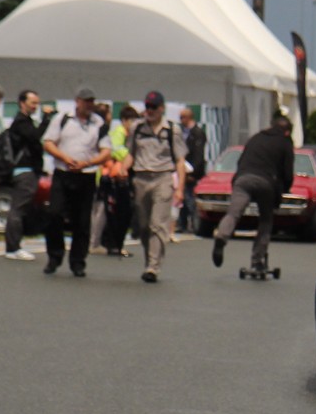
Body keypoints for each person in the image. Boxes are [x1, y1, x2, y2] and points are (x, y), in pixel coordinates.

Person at [41, 87, 110, 278]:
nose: (89, 105)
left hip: (86, 175)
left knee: (82, 221)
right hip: (63, 173)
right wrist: (64, 157)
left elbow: (106, 151)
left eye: (92, 101)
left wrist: (88, 162)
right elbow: (48, 142)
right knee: (54, 214)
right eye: (86, 101)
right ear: (77, 101)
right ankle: (54, 256)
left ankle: (78, 262)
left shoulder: (98, 123)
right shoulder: (62, 119)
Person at [212, 114, 295, 272]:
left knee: (233, 213)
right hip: (266, 182)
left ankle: (221, 236)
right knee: (265, 220)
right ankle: (257, 259)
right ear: (287, 131)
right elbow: (287, 172)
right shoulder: (285, 142)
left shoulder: (256, 137)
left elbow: (241, 160)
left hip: (243, 178)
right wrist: (284, 189)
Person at [126, 91, 189, 283]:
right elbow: (130, 154)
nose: (150, 111)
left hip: (162, 178)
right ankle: (149, 259)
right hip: (141, 178)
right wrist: (122, 168)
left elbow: (180, 161)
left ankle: (153, 266)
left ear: (162, 108)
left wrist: (179, 189)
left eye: (154, 107)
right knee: (144, 226)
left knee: (157, 224)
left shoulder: (172, 130)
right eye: (147, 107)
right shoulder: (137, 128)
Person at [0, 90, 50, 261]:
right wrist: (46, 120)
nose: (35, 106)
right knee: (18, 208)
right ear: (22, 103)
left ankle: (14, 245)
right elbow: (35, 137)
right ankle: (13, 247)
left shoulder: (26, 121)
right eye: (32, 103)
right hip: (24, 171)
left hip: (28, 170)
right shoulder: (20, 122)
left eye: (37, 103)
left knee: (21, 208)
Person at [98, 106, 137, 257]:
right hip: (114, 177)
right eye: (131, 121)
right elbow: (115, 150)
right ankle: (112, 244)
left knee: (123, 212)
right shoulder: (118, 132)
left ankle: (116, 244)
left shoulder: (128, 134)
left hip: (122, 176)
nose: (134, 124)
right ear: (124, 120)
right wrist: (130, 155)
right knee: (116, 212)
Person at [175, 106, 208, 240]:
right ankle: (182, 223)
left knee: (191, 199)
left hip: (193, 172)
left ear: (189, 118)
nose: (181, 120)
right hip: (183, 169)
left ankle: (194, 224)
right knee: (182, 197)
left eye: (183, 117)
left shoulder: (197, 133)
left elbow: (198, 155)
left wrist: (192, 172)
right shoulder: (183, 132)